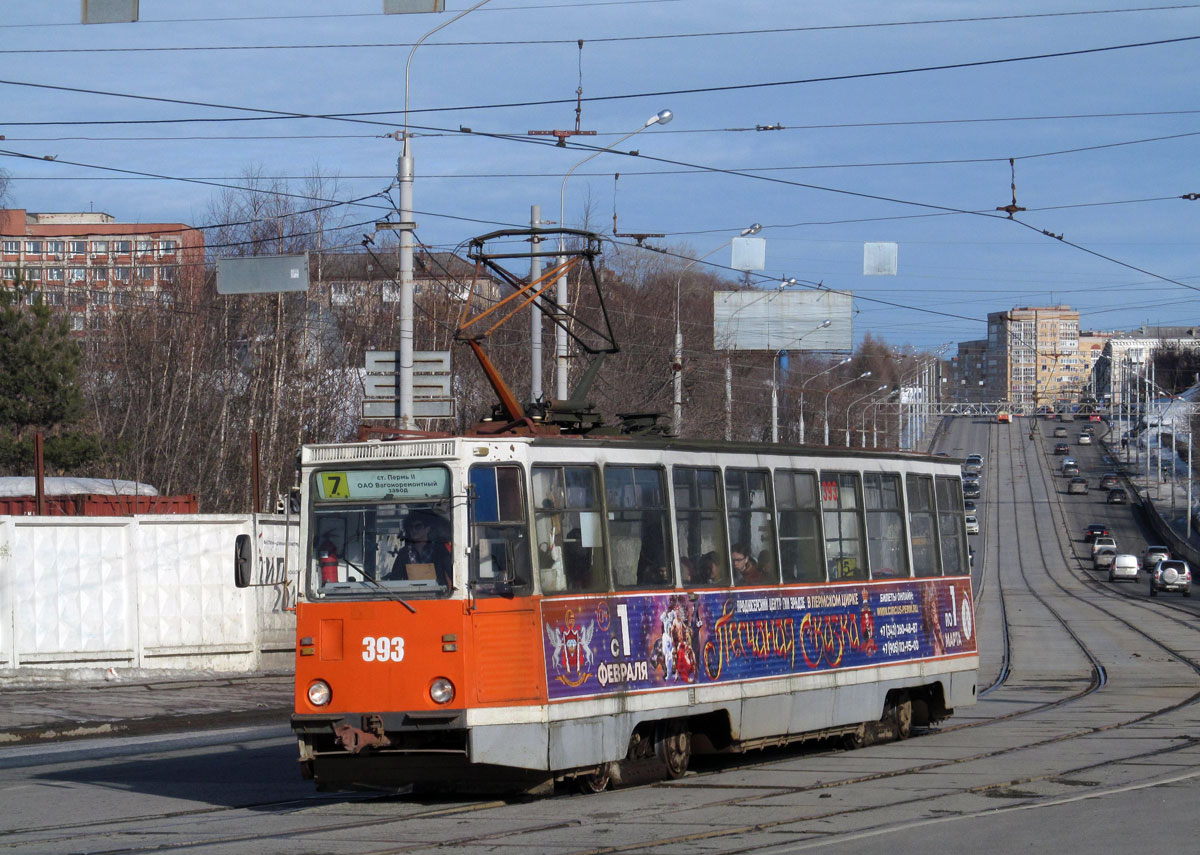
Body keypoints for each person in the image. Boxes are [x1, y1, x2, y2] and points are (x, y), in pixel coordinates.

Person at [389, 514, 452, 588]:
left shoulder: (439, 550)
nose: (414, 530)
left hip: (438, 595)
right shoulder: (404, 552)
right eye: (411, 527)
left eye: (418, 527)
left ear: (427, 528)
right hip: (410, 596)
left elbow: (449, 575)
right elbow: (395, 578)